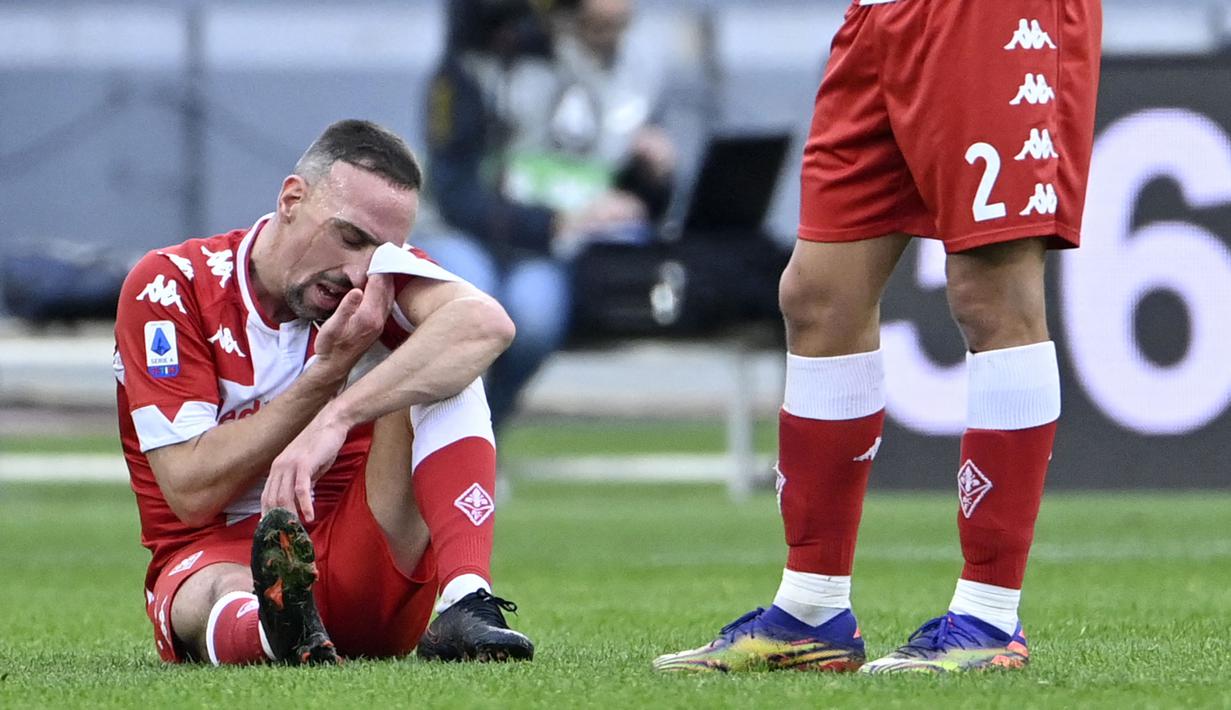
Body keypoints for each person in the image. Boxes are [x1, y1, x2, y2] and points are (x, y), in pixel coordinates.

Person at [654, 2, 1102, 674]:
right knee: (816, 295)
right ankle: (811, 611)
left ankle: (987, 617)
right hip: (885, 16)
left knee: (990, 290)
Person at [113, 119, 535, 665]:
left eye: (382, 252)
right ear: (292, 198)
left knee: (447, 362)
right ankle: (277, 634)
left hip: (360, 555)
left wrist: (337, 418)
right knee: (214, 590)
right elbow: (191, 489)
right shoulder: (173, 285)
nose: (359, 272)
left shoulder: (375, 280)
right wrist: (324, 376)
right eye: (351, 237)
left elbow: (486, 326)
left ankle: (466, 599)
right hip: (215, 556)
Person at [421, 0, 675, 429]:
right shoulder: (477, 66)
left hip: (544, 249)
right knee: (470, 302)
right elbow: (453, 192)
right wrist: (552, 222)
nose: (608, 34)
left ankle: (479, 432)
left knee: (535, 317)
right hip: (463, 232)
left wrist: (651, 178)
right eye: (595, 24)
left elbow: (608, 180)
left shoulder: (623, 71)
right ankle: (432, 440)